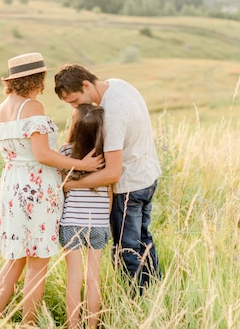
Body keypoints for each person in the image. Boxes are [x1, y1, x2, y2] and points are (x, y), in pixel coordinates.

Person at [0, 53, 103, 325]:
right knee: (38, 263)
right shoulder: (32, 107)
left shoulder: (1, 108)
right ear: (34, 79)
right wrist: (80, 164)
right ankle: (29, 324)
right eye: (41, 78)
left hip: (11, 185)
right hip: (36, 189)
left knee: (15, 258)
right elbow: (43, 155)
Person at [54, 63, 162, 292]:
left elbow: (112, 173)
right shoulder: (118, 84)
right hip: (147, 176)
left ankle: (137, 301)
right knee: (144, 240)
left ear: (85, 85)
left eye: (74, 100)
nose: (75, 107)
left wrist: (71, 185)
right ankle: (155, 291)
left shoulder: (111, 113)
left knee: (128, 249)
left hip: (129, 188)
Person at [58, 104, 110, 329]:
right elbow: (110, 192)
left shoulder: (65, 153)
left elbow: (61, 187)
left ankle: (72, 326)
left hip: (71, 222)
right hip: (98, 223)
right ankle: (92, 326)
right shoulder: (107, 156)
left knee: (74, 278)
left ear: (74, 127)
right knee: (93, 278)